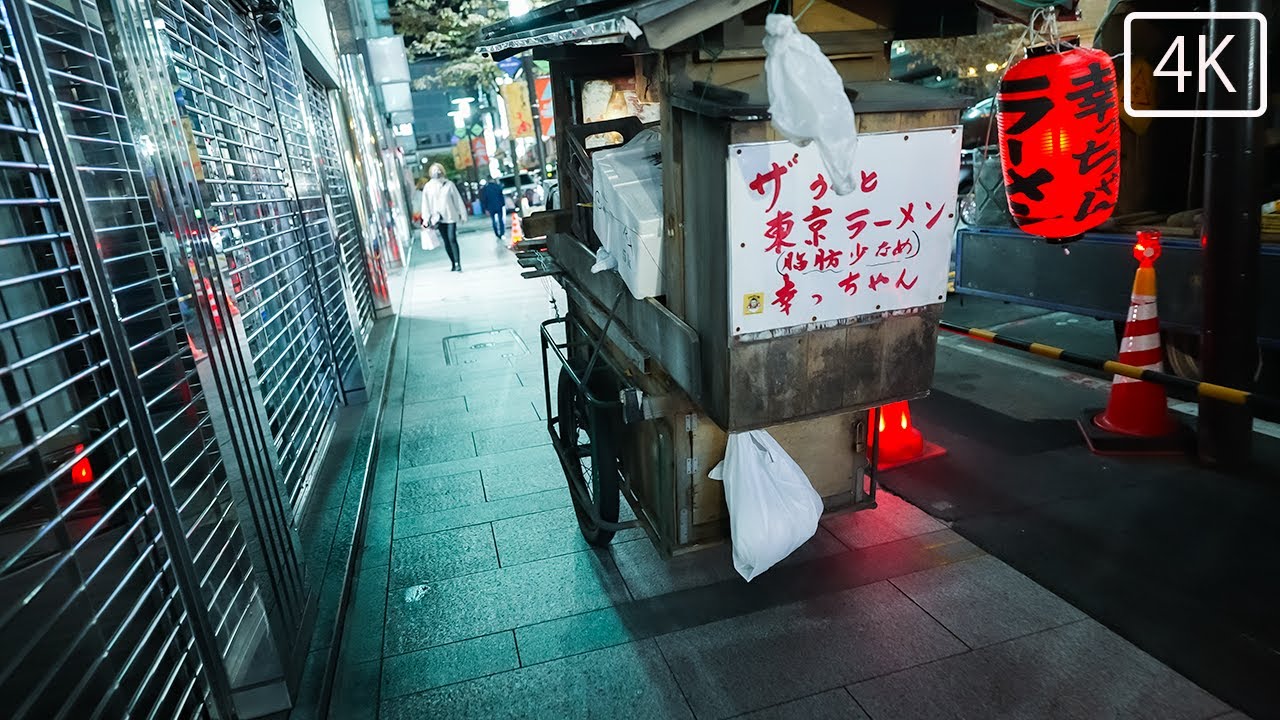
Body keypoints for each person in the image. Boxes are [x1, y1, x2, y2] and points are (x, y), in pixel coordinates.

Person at [420, 163, 469, 272]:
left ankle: (457, 263)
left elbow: (457, 200)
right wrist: (426, 219)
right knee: (446, 240)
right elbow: (425, 204)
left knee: (452, 238)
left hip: (450, 216)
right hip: (437, 218)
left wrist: (462, 214)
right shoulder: (428, 187)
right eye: (434, 170)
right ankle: (452, 262)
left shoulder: (449, 184)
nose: (436, 172)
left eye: (438, 170)